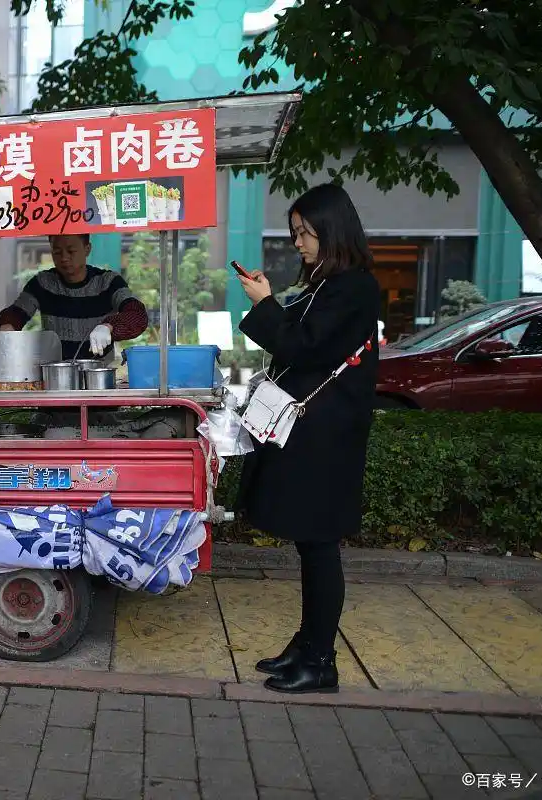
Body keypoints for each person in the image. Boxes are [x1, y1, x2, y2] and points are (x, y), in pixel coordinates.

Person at [233, 183, 381, 694]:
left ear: (332, 230)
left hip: (327, 439)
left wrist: (264, 305)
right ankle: (307, 645)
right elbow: (296, 336)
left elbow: (303, 347)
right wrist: (271, 301)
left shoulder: (354, 288)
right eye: (295, 232)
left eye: (304, 233)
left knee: (319, 546)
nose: (297, 242)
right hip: (313, 434)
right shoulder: (329, 285)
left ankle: (320, 662)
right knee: (311, 544)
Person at [0, 233, 148, 362]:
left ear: (87, 249)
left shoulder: (108, 282)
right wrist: (8, 325)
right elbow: (17, 312)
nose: (64, 258)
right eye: (57, 252)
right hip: (55, 374)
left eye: (71, 251)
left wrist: (109, 327)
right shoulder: (42, 283)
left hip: (98, 375)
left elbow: (137, 314)